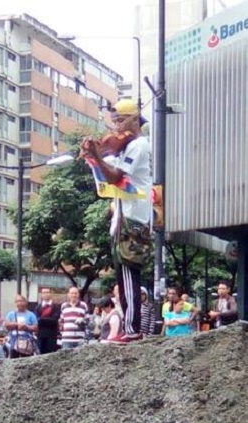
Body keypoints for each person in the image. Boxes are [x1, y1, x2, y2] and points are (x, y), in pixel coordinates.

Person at [81, 98, 152, 343]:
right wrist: (95, 157)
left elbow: (116, 177)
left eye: (120, 121)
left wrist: (98, 157)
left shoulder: (138, 145)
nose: (116, 128)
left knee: (130, 275)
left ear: (134, 119)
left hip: (134, 218)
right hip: (124, 216)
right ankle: (129, 328)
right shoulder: (128, 146)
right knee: (122, 277)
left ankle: (133, 329)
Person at [35, 288, 61, 354]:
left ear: (50, 294)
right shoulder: (38, 307)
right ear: (41, 295)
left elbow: (54, 320)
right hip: (41, 336)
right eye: (44, 292)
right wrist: (48, 319)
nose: (46, 294)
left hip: (52, 335)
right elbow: (37, 320)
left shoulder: (56, 307)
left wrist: (41, 319)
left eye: (47, 292)